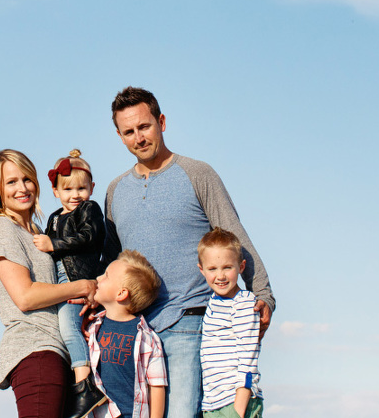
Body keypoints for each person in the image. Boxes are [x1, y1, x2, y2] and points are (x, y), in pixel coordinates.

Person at [104, 87, 275, 418]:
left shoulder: (197, 174)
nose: (139, 138)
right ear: (120, 136)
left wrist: (263, 294)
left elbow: (235, 237)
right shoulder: (115, 191)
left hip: (189, 321)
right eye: (129, 132)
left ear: (161, 122)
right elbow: (112, 262)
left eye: (144, 126)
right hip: (137, 330)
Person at [0, 149, 98, 418]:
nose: (22, 188)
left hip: (58, 349)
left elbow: (0, 288)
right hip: (36, 349)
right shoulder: (2, 229)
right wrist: (83, 287)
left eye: (27, 179)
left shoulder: (38, 231)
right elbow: (25, 297)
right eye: (11, 182)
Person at [32, 149, 120, 418]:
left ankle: (84, 386)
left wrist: (53, 244)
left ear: (91, 188)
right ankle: (80, 379)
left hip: (77, 278)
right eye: (68, 189)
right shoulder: (54, 217)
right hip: (59, 280)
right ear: (55, 191)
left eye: (82, 188)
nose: (75, 195)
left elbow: (89, 236)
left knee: (69, 328)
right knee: (67, 329)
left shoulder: (89, 209)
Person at [84, 251, 167, 418]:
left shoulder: (147, 338)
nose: (98, 278)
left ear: (121, 293)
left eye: (106, 275)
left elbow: (157, 386)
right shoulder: (92, 328)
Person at [196, 228, 264, 418]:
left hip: (235, 402)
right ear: (202, 270)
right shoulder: (213, 303)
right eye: (212, 269)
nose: (220, 276)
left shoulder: (243, 303)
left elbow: (248, 357)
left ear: (241, 267)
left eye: (227, 267)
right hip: (213, 403)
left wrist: (238, 409)